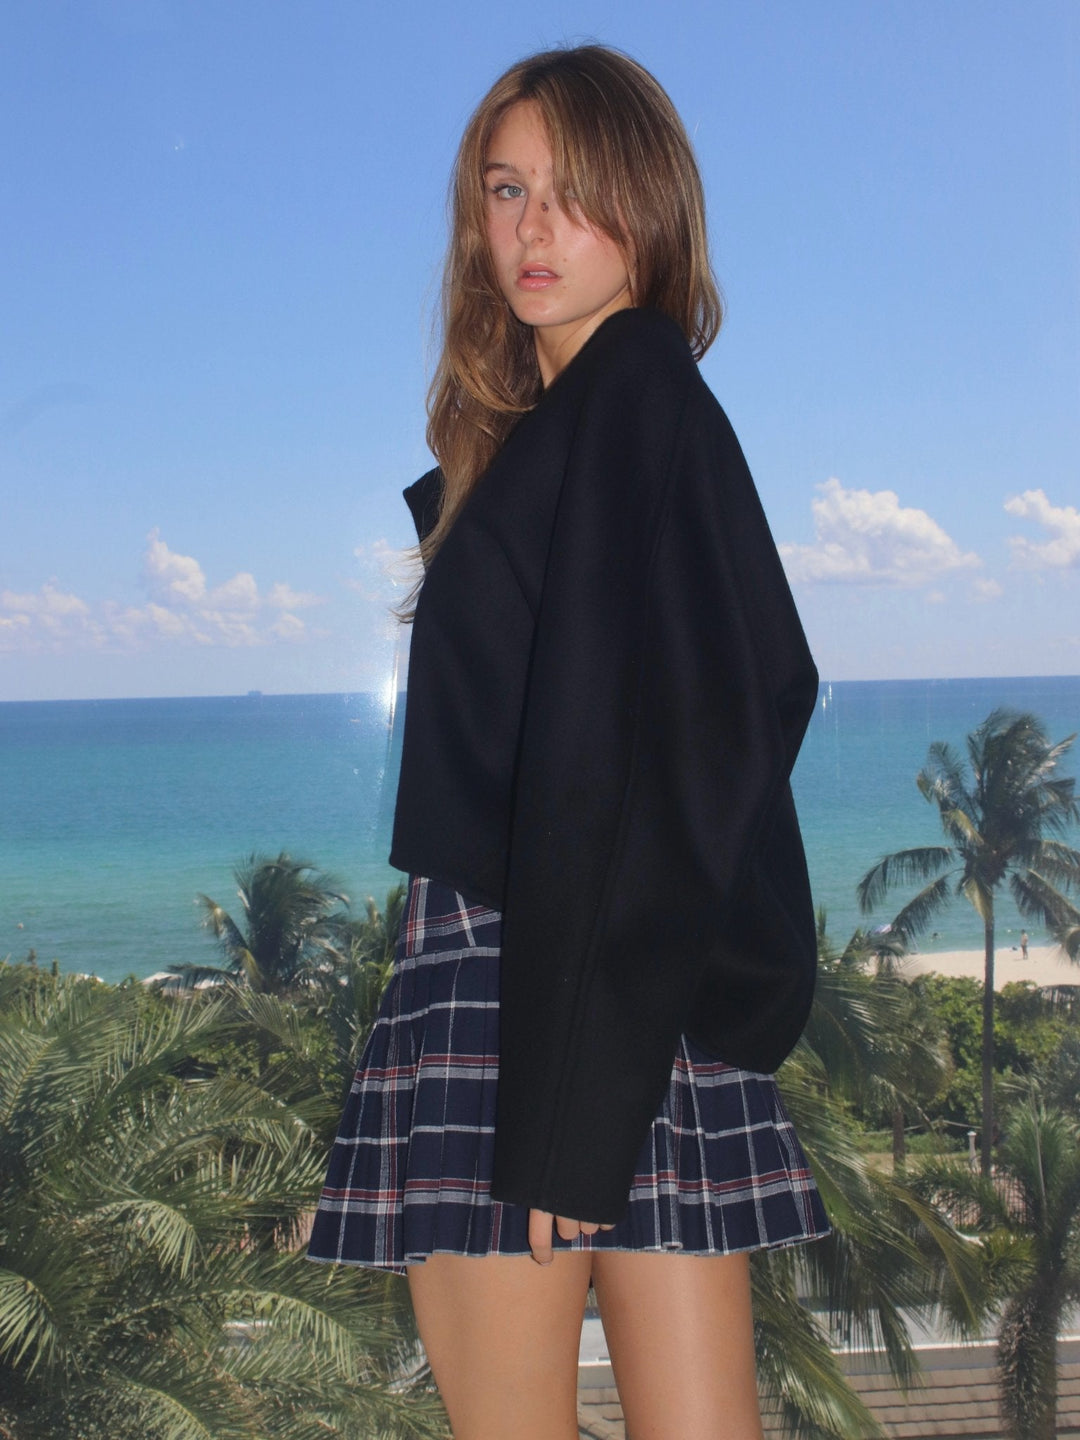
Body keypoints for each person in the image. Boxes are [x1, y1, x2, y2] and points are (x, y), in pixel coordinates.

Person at [309, 44, 828, 1440]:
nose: (533, 231)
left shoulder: (633, 391)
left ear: (648, 212)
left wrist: (573, 1099)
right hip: (618, 985)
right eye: (506, 191)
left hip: (535, 990)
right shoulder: (571, 423)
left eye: (574, 194)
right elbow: (725, 703)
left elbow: (705, 724)